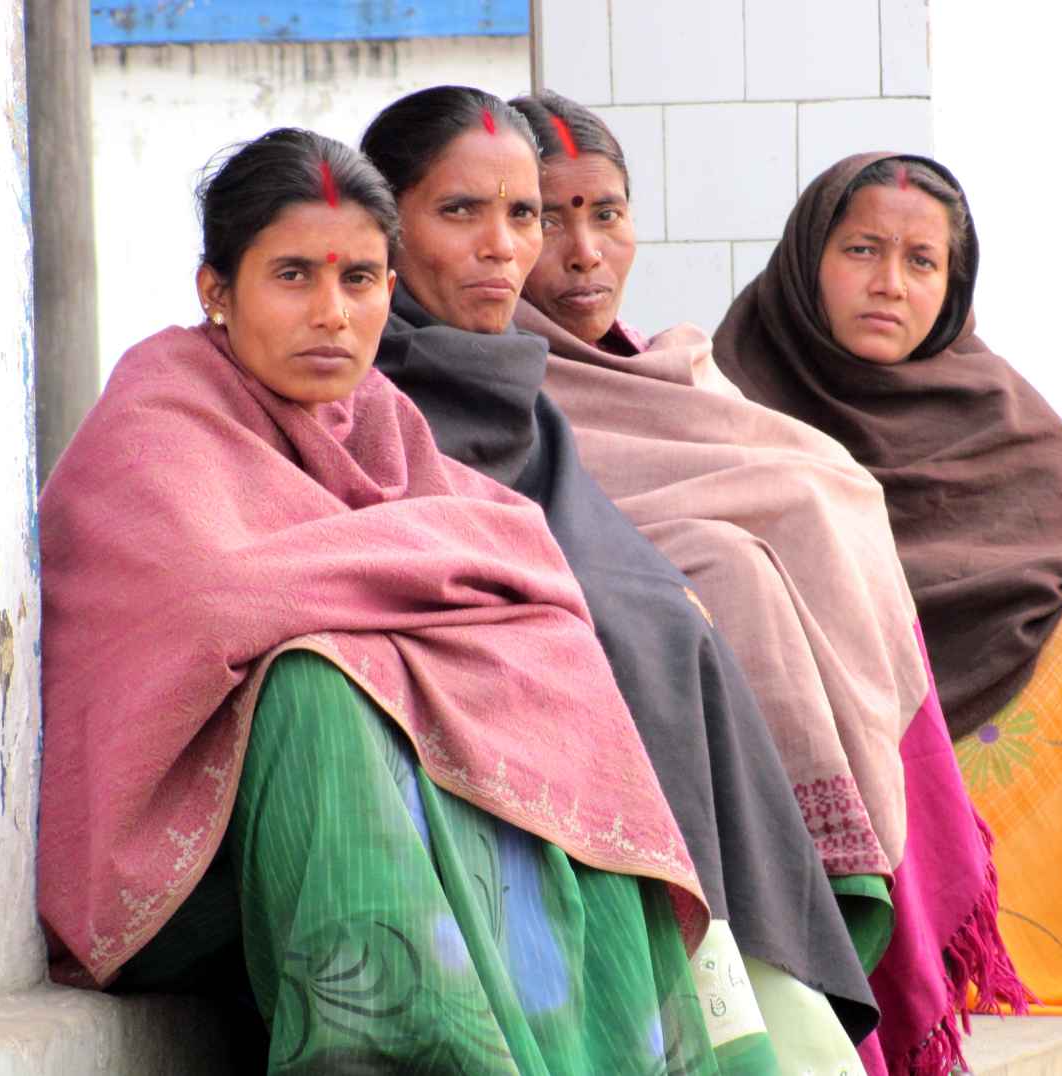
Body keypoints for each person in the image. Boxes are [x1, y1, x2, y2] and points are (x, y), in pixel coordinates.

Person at [36, 127, 732, 1075]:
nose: (331, 313)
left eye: (359, 280)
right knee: (316, 679)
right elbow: (216, 597)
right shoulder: (156, 418)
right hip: (179, 866)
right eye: (293, 276)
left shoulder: (378, 421)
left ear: (388, 294)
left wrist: (396, 590)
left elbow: (523, 558)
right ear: (215, 291)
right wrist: (418, 586)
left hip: (364, 844)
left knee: (540, 663)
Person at [712, 150, 1062, 1073]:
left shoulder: (987, 399)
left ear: (953, 280)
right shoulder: (731, 393)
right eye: (860, 250)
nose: (889, 284)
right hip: (833, 724)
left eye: (920, 261)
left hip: (973, 715)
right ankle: (936, 946)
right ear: (808, 255)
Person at [506, 91, 1028, 1076]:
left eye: (606, 212)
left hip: (814, 736)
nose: (582, 251)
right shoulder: (490, 382)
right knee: (734, 570)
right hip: (668, 785)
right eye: (544, 215)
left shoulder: (679, 374)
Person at [359, 86, 878, 1075]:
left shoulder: (521, 395)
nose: (504, 246)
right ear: (388, 226)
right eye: (459, 211)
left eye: (521, 214)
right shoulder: (369, 392)